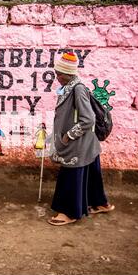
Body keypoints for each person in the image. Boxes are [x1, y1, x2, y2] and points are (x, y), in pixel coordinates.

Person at [47, 52, 115, 226]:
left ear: (68, 74)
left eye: (59, 74)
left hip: (78, 144)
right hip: (87, 144)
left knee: (72, 175)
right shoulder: (70, 87)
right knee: (92, 175)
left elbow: (88, 119)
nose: (57, 78)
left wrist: (68, 136)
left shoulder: (77, 89)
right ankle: (100, 203)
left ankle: (70, 212)